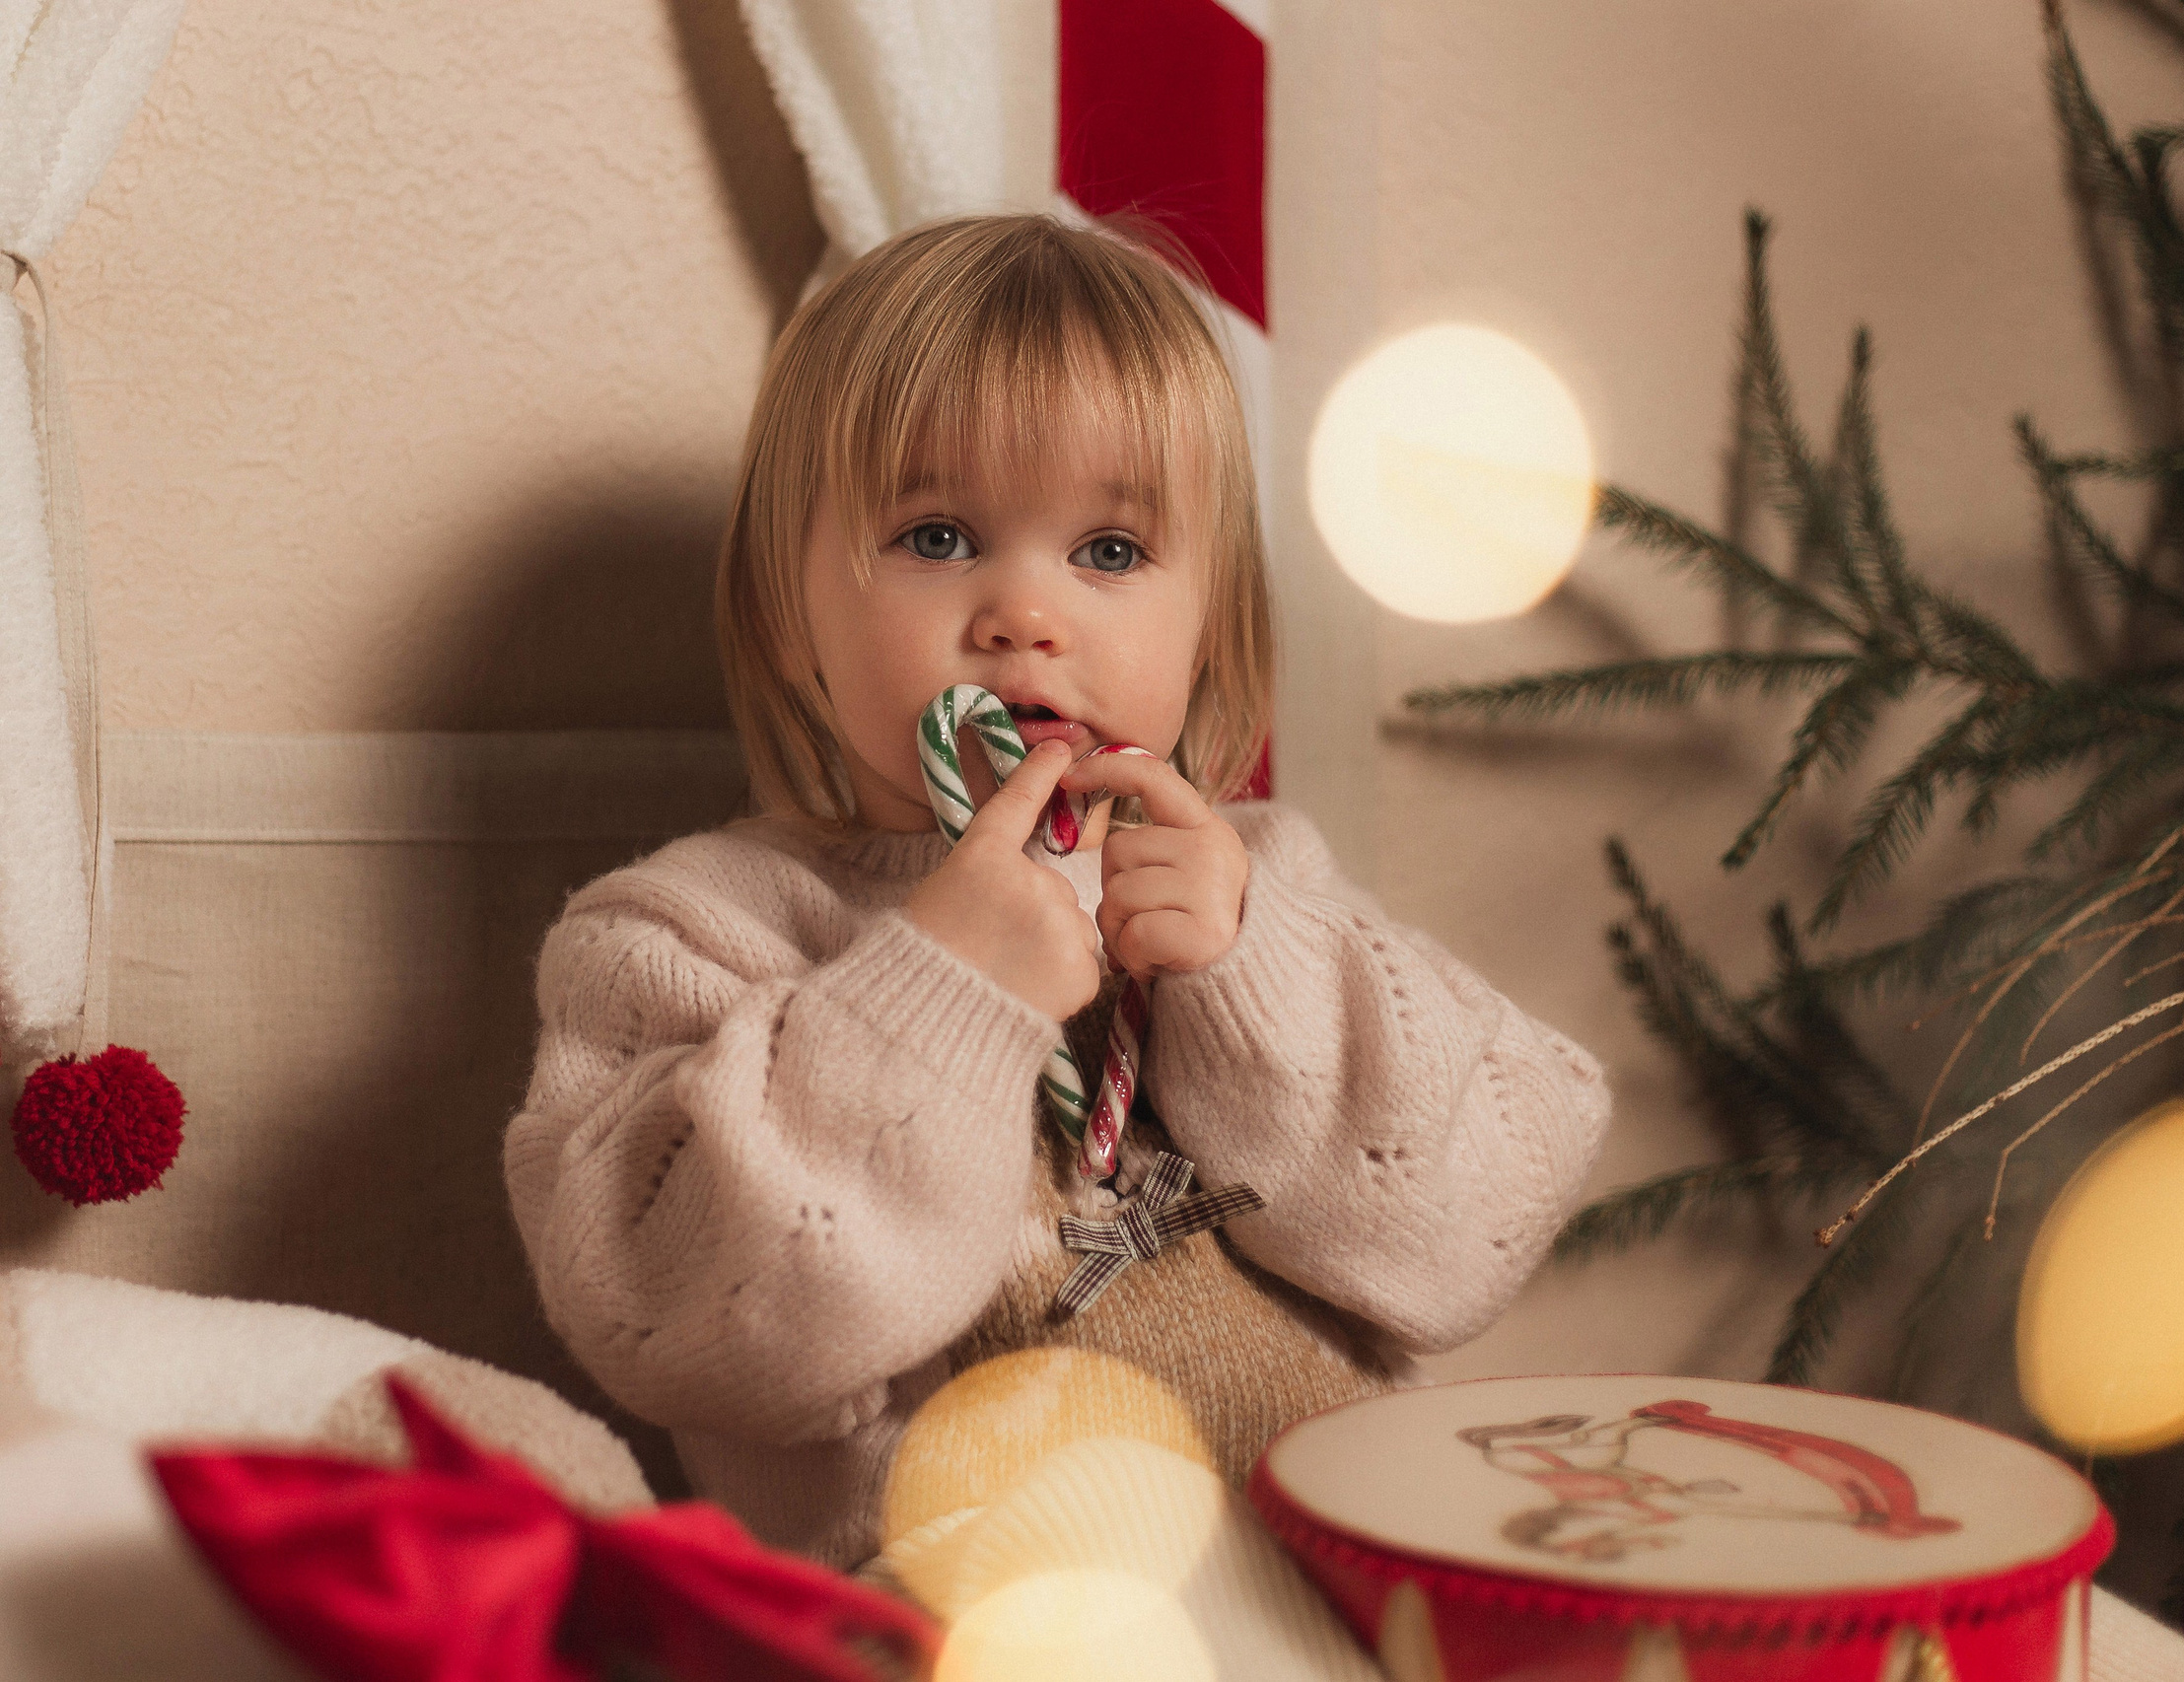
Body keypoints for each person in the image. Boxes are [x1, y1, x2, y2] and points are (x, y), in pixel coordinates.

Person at [503, 213, 1612, 1569]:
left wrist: (1256, 971)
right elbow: (671, 1323)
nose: (1027, 611)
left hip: (1341, 1586)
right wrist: (937, 989)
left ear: (1212, 631)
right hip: (957, 1609)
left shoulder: (1263, 879)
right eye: (937, 533)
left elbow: (1478, 1225)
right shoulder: (691, 931)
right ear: (789, 614)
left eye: (1110, 553)